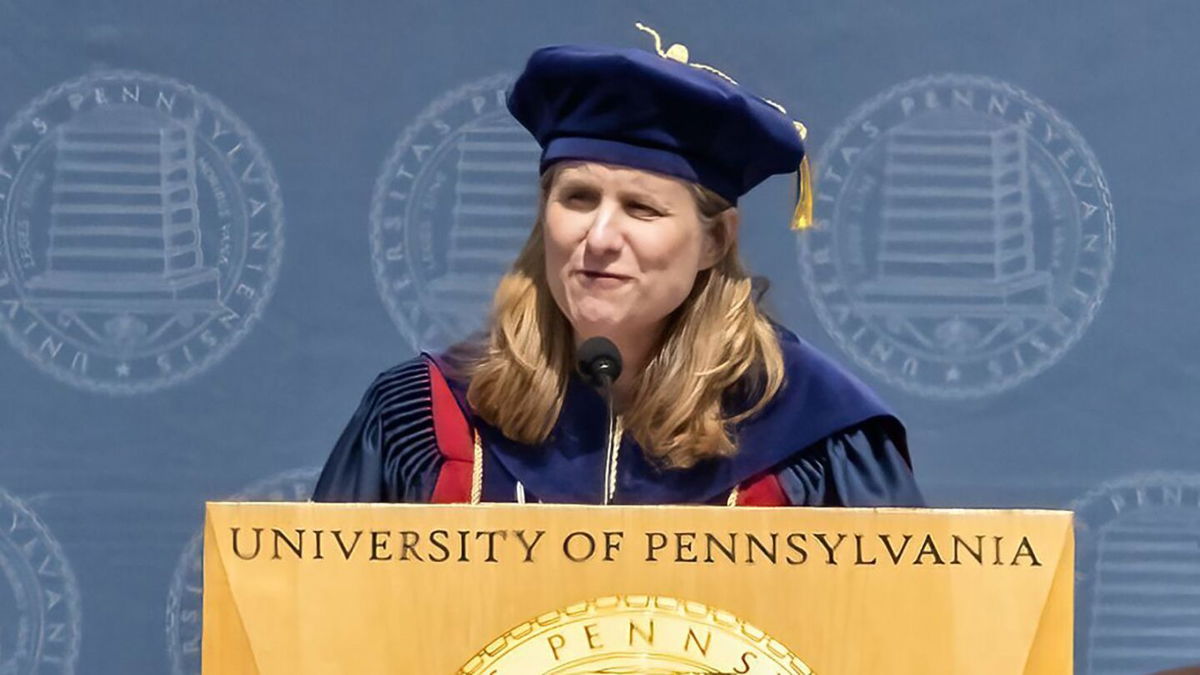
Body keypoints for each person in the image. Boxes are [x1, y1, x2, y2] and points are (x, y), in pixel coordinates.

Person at [313, 28, 923, 507]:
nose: (600, 237)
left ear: (714, 240)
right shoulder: (430, 417)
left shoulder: (813, 433)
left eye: (642, 208)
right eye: (577, 198)